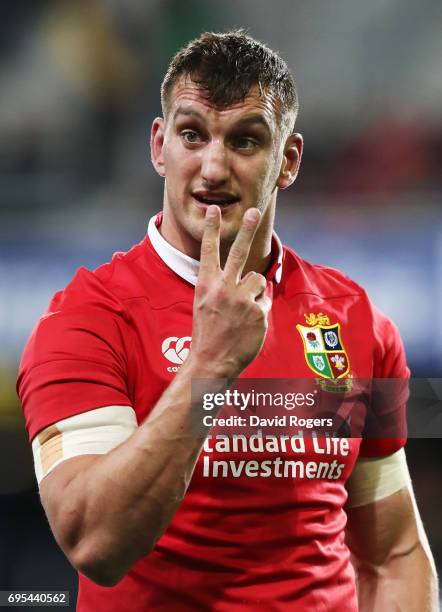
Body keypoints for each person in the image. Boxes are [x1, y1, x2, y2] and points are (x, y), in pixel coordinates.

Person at [17, 31, 437, 611]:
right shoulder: (86, 320)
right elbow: (96, 542)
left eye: (245, 140)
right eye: (193, 135)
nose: (213, 167)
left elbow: (393, 553)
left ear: (287, 161)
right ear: (159, 145)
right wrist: (210, 365)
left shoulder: (355, 320)